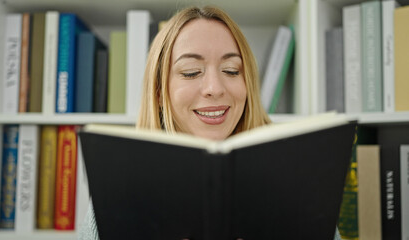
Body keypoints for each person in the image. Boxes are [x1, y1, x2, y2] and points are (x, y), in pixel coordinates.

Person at [78, 5, 342, 240]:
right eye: (191, 72)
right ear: (159, 93)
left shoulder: (298, 187)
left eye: (231, 71)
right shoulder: (113, 200)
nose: (215, 88)